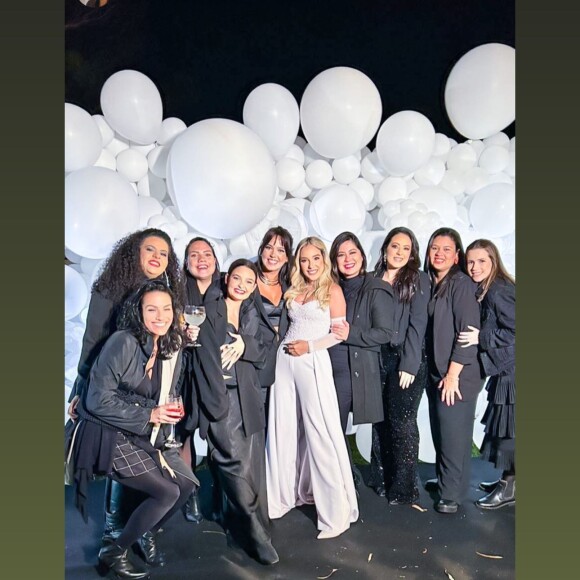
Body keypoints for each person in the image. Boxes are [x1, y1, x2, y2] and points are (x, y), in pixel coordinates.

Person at [68, 228, 183, 563]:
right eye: (150, 249)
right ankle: (113, 532)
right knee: (124, 465)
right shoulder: (109, 290)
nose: (156, 257)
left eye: (163, 253)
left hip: (148, 390)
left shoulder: (165, 292)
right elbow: (91, 344)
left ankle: (140, 530)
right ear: (134, 252)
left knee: (146, 463)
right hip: (112, 390)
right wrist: (80, 388)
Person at [266, 236, 359, 540]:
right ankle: (281, 497)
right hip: (284, 362)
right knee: (284, 429)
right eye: (303, 260)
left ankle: (335, 513)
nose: (309, 265)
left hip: (313, 360)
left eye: (314, 259)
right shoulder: (294, 289)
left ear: (324, 259)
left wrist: (310, 346)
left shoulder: (332, 290)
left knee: (320, 432)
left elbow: (339, 334)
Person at [200, 259, 279, 565]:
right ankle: (254, 533)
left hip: (247, 395)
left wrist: (245, 344)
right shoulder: (211, 306)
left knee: (252, 465)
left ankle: (239, 522)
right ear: (227, 278)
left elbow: (267, 346)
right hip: (220, 397)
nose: (242, 285)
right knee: (231, 461)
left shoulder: (252, 309)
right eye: (237, 278)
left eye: (249, 281)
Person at [367, 227, 431, 504]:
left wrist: (409, 364)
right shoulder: (371, 279)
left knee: (403, 422)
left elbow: (418, 325)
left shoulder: (418, 280)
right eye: (395, 246)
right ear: (385, 249)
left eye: (407, 248)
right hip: (376, 358)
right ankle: (382, 480)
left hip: (406, 357)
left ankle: (405, 488)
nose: (400, 253)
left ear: (412, 253)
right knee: (379, 421)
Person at [423, 227, 484, 514]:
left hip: (458, 374)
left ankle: (450, 496)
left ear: (457, 255)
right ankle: (451, 484)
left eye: (447, 249)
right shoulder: (437, 283)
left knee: (452, 434)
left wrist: (452, 375)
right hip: (440, 372)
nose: (439, 253)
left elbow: (467, 332)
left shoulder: (461, 284)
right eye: (435, 247)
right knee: (445, 431)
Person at [327, 232, 394, 487]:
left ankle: (347, 480)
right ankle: (340, 477)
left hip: (350, 371)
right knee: (328, 429)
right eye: (341, 254)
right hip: (325, 367)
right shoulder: (330, 288)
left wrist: (351, 333)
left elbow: (385, 333)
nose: (347, 259)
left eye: (352, 252)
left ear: (362, 256)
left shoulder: (377, 288)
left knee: (334, 427)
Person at [459, 239, 516, 509]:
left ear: (493, 261)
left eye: (482, 261)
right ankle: (509, 482)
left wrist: (482, 336)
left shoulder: (499, 290)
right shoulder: (488, 288)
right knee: (505, 430)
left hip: (513, 373)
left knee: (509, 434)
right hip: (505, 369)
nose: (474, 267)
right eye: (470, 261)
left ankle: (509, 487)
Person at [177, 237, 224, 524]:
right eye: (194, 255)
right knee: (183, 434)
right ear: (186, 262)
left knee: (221, 435)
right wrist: (182, 335)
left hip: (219, 374)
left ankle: (222, 492)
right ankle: (189, 492)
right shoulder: (178, 291)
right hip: (184, 372)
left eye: (207, 254)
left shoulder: (227, 287)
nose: (201, 259)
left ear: (216, 260)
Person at [252, 227, 293, 423]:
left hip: (284, 365)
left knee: (279, 426)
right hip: (254, 364)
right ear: (261, 250)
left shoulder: (291, 285)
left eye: (280, 250)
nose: (273, 254)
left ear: (287, 257)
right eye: (269, 247)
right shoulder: (248, 280)